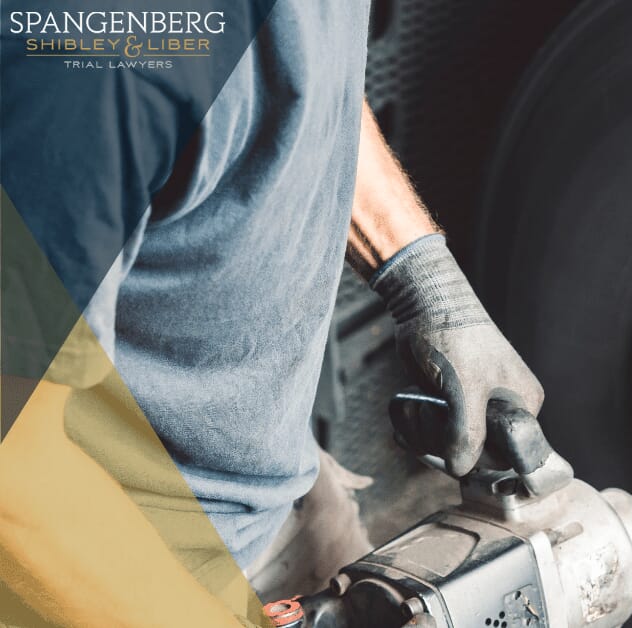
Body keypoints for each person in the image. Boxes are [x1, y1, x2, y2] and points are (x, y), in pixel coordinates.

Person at [0, 3, 542, 624]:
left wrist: (426, 281)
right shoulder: (100, 66)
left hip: (282, 495)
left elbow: (298, 77)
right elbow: (12, 467)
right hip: (115, 575)